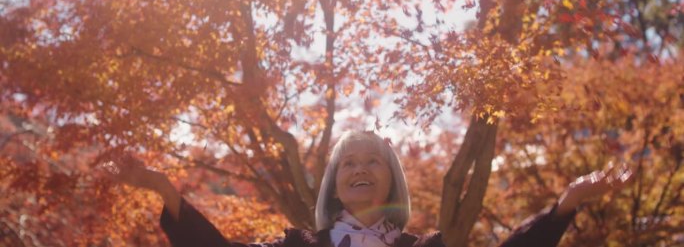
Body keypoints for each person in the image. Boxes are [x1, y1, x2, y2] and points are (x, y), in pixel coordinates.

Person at [105, 131, 633, 247]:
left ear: (391, 180)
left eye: (373, 163)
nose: (360, 169)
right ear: (333, 185)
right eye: (347, 163)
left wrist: (565, 206)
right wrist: (161, 187)